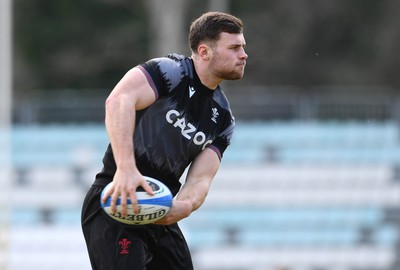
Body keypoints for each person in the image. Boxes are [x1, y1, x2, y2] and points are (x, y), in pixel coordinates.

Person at [81, 11, 248, 270]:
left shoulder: (224, 119)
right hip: (117, 201)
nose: (243, 55)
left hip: (159, 212)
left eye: (243, 47)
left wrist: (184, 206)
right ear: (204, 52)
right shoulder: (169, 71)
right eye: (234, 48)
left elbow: (200, 179)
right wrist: (126, 169)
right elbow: (118, 101)